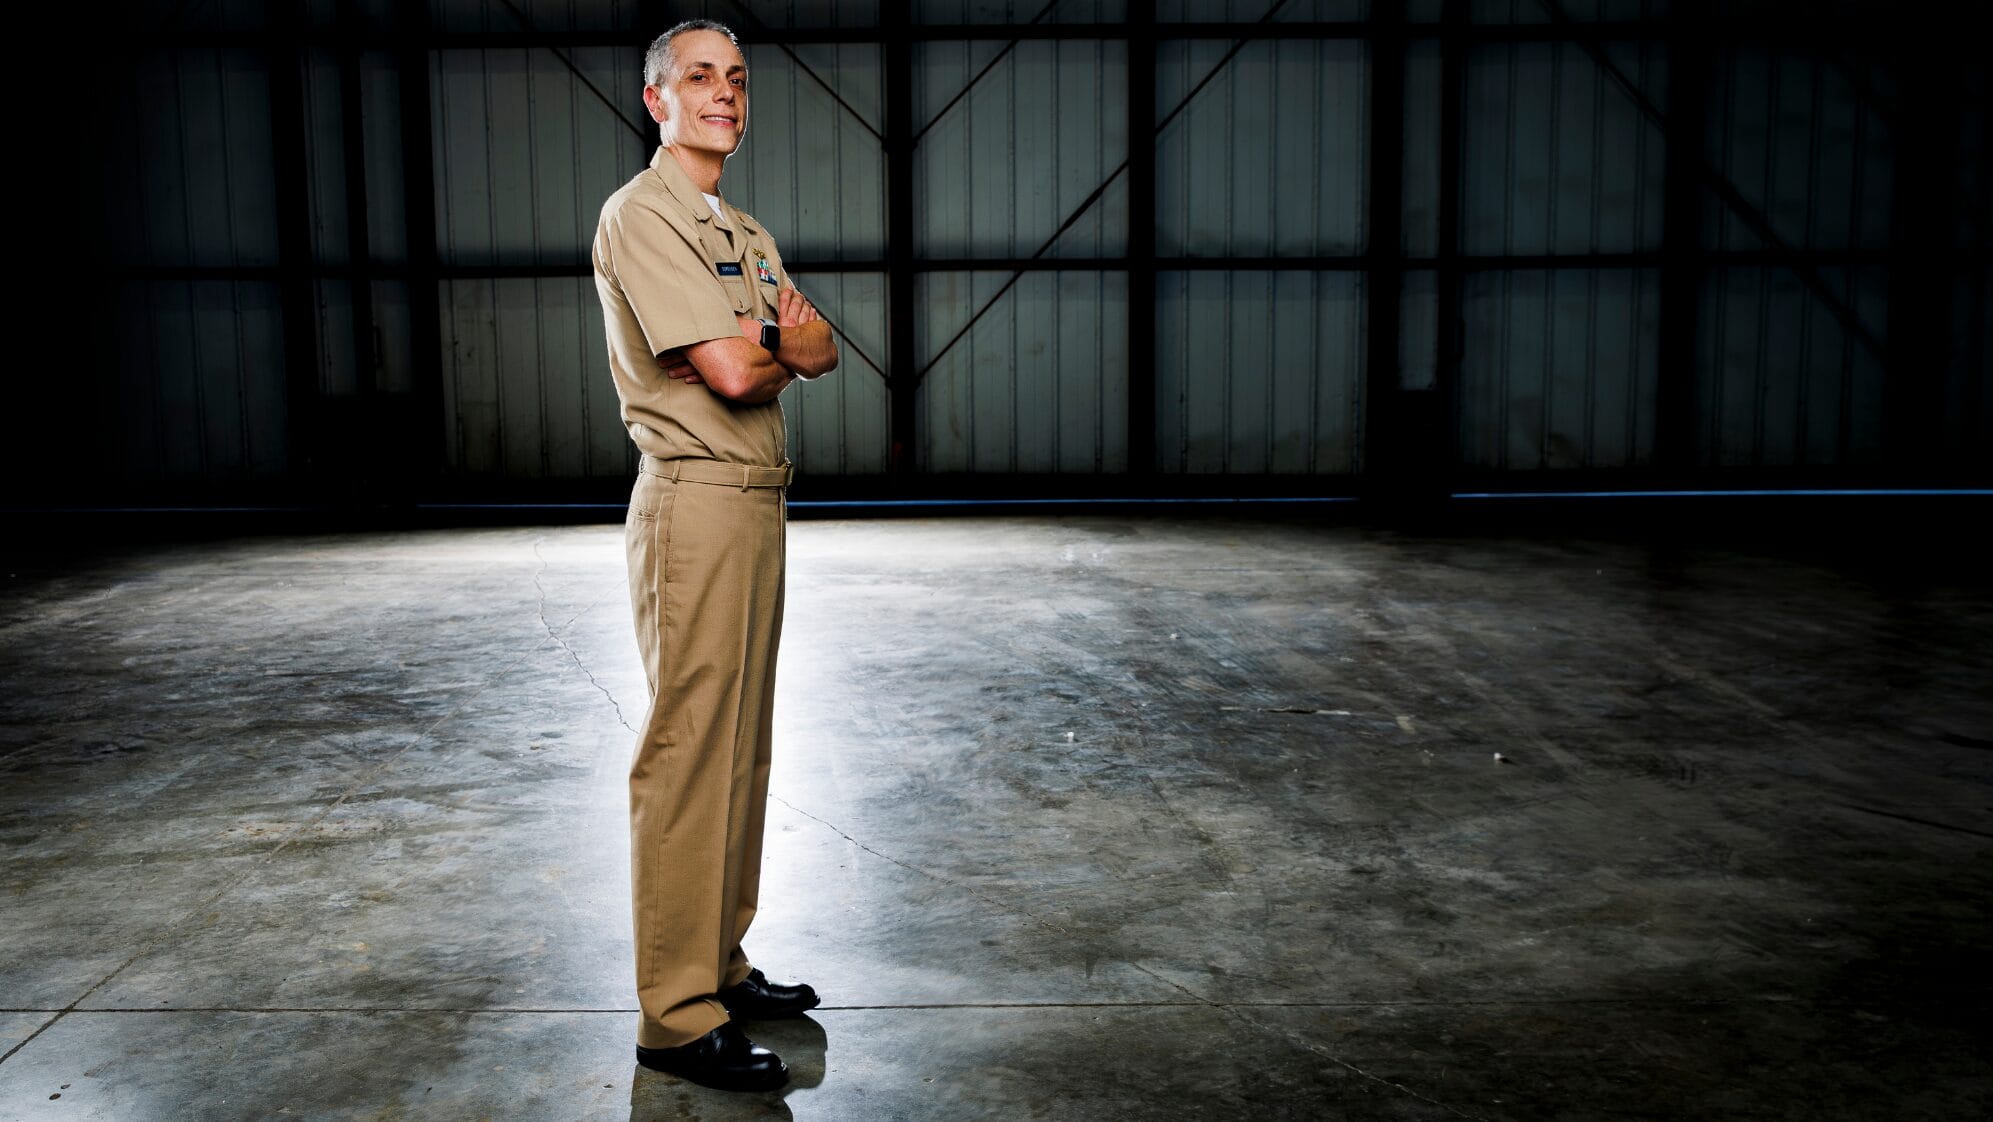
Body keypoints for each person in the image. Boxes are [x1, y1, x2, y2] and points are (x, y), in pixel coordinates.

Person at [589, 17, 838, 1093]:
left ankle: (720, 962)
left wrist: (767, 350)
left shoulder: (737, 226)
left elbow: (817, 346)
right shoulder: (641, 217)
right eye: (700, 77)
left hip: (757, 500)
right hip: (692, 500)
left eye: (736, 78)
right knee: (689, 748)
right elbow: (741, 375)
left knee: (743, 744)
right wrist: (770, 351)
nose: (723, 93)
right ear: (659, 100)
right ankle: (675, 1015)